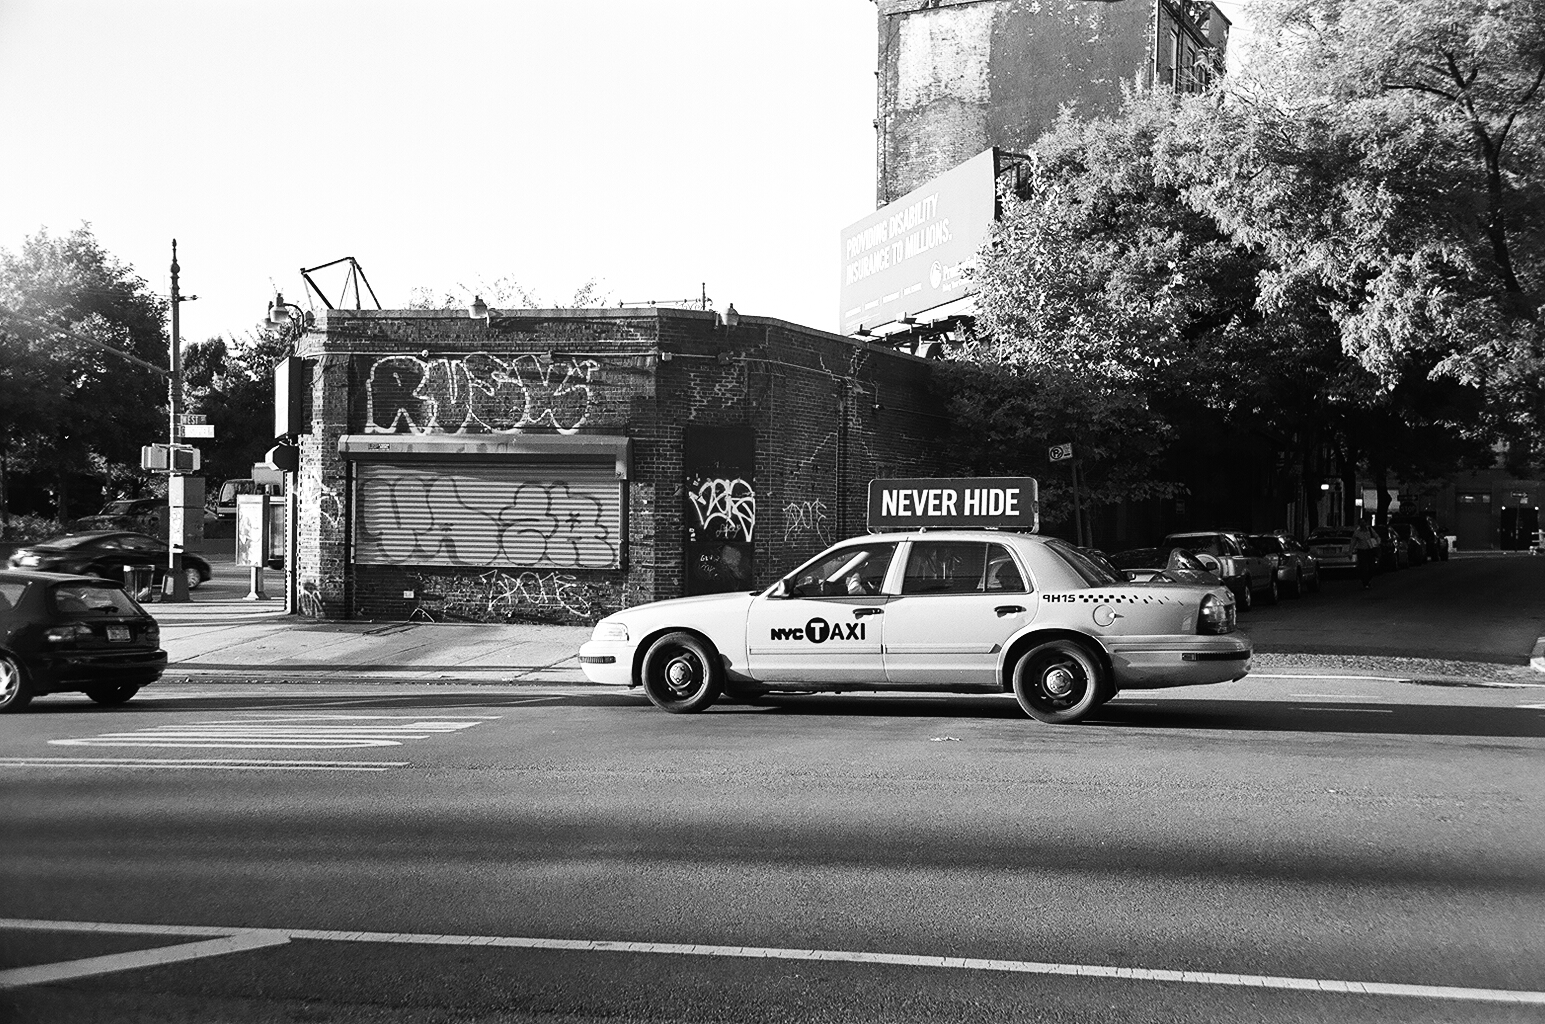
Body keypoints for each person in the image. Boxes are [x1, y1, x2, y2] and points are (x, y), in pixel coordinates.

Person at [1351, 517, 1380, 589]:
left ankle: (1368, 579)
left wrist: (1377, 543)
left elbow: (1377, 536)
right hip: (1361, 551)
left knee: (1372, 567)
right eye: (1361, 522)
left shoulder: (1370, 530)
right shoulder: (1357, 532)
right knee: (1363, 568)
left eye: (1364, 522)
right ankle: (1365, 582)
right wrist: (1350, 551)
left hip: (1369, 550)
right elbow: (1353, 542)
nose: (1363, 524)